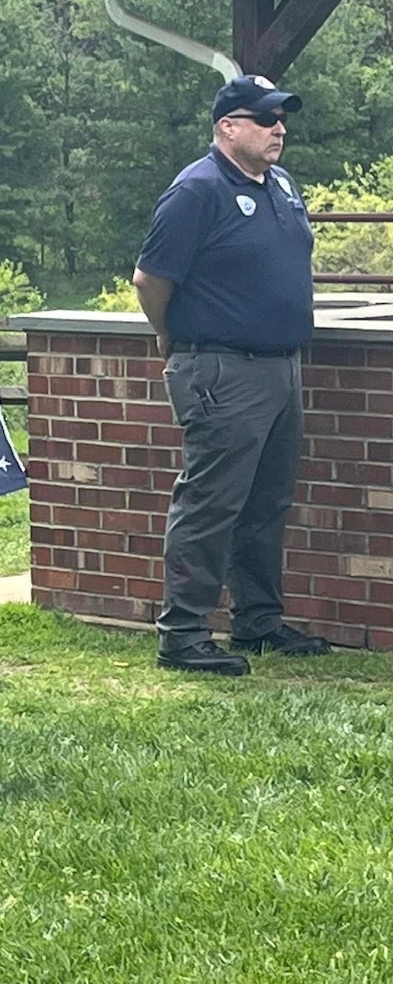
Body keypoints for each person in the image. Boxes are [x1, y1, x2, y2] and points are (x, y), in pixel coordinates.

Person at [133, 74, 331, 676]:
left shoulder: (282, 186)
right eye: (265, 119)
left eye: (281, 119)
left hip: (280, 367)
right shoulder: (197, 190)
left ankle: (259, 618)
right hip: (222, 368)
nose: (279, 129)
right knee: (210, 503)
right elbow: (151, 280)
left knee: (266, 501)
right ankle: (184, 634)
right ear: (227, 127)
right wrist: (173, 340)